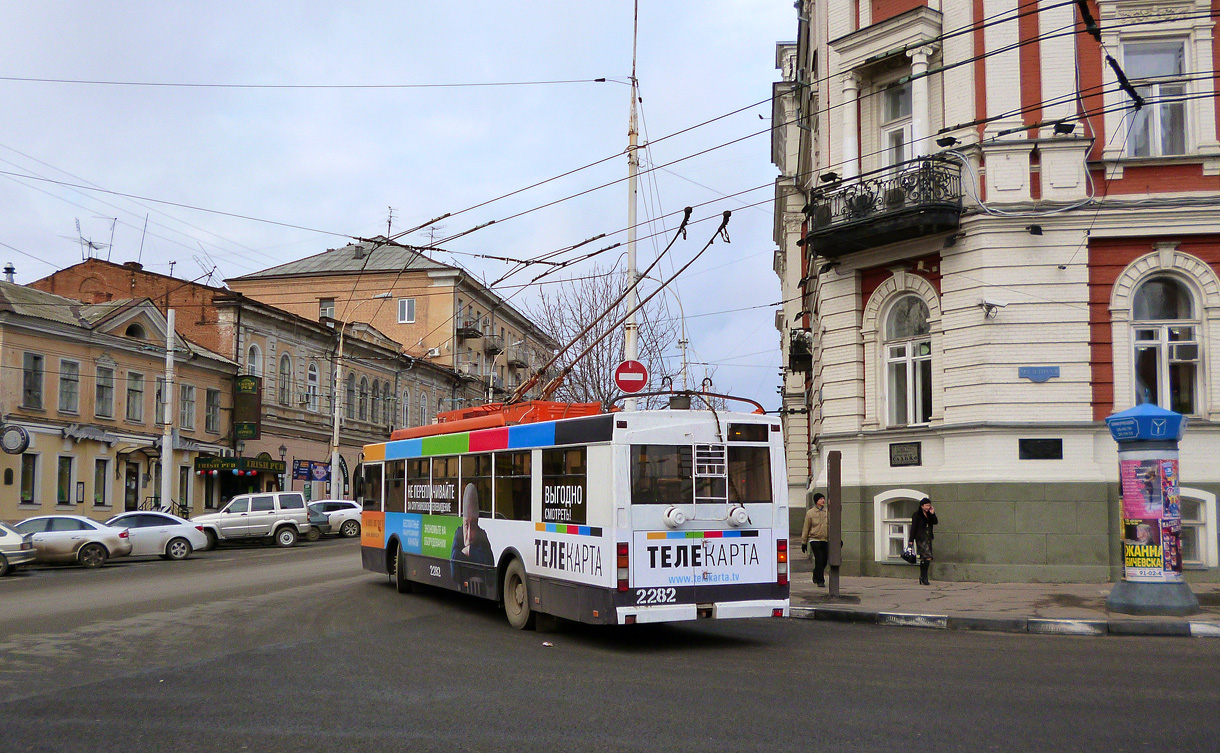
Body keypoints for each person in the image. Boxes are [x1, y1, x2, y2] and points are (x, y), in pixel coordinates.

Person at [451, 483, 493, 567]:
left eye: (473, 526)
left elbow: (489, 563)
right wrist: (476, 554)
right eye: (466, 525)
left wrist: (469, 550)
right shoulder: (459, 533)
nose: (469, 536)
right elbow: (454, 570)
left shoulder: (481, 534)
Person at [800, 492, 829, 587]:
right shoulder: (810, 513)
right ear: (816, 501)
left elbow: (831, 526)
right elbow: (806, 527)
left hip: (825, 539)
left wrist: (837, 539)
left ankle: (816, 573)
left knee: (824, 560)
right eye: (821, 499)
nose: (823, 500)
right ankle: (820, 580)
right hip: (814, 539)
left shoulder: (827, 512)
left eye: (823, 499)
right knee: (819, 559)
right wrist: (804, 542)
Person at [908, 498, 938, 585]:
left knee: (924, 558)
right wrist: (911, 541)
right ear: (922, 506)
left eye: (929, 505)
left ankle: (922, 576)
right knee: (928, 557)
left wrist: (933, 514)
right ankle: (924, 577)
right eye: (927, 505)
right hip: (920, 538)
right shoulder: (916, 515)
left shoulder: (929, 514)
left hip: (928, 538)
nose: (928, 507)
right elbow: (913, 528)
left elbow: (935, 522)